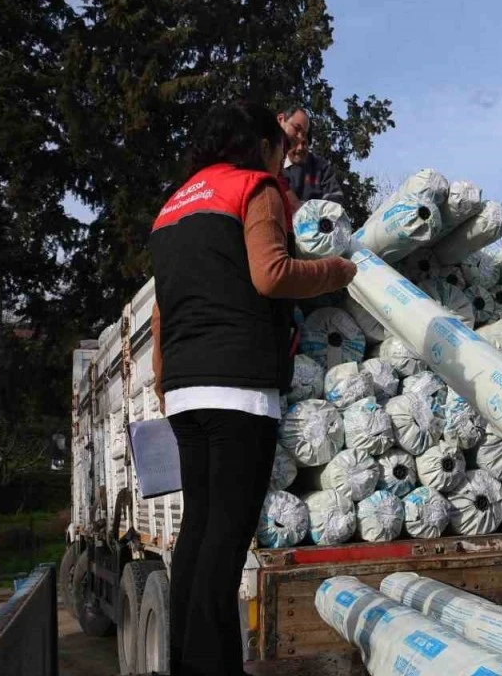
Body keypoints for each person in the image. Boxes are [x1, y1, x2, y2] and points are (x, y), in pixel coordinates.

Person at [149, 99, 355, 675]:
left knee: (198, 532)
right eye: (276, 146)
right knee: (227, 540)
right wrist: (336, 271)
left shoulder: (174, 204)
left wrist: (169, 380)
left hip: (186, 389)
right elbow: (272, 274)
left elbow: (164, 309)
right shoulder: (254, 188)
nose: (283, 157)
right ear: (258, 146)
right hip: (237, 386)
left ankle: (186, 663)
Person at [277, 105, 347, 209]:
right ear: (281, 119)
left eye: (304, 142)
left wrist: (303, 209)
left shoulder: (321, 168)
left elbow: (334, 204)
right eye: (296, 129)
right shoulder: (269, 160)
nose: (300, 148)